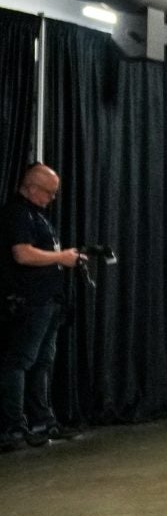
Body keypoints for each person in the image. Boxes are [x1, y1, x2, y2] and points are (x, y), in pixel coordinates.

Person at [0, 164, 84, 448]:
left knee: (42, 363)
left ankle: (42, 422)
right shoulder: (18, 213)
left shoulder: (37, 216)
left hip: (47, 302)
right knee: (20, 362)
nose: (51, 198)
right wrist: (60, 258)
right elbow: (22, 254)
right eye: (48, 192)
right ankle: (14, 427)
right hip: (31, 302)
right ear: (31, 187)